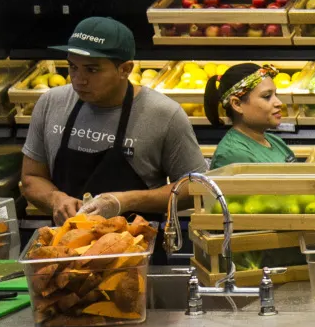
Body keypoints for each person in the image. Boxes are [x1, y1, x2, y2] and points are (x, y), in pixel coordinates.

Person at [20, 16, 206, 222]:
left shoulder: (164, 114)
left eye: (92, 70)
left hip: (137, 246)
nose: (78, 79)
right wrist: (55, 199)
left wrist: (126, 201)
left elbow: (196, 188)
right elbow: (32, 178)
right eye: (72, 67)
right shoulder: (50, 103)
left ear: (125, 69)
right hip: (66, 246)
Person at [205, 64, 296, 166]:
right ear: (237, 104)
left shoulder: (273, 140)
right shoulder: (233, 155)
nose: (278, 103)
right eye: (267, 96)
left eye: (276, 95)